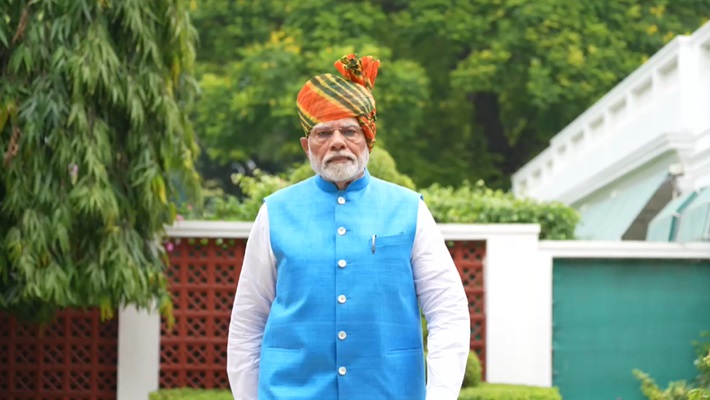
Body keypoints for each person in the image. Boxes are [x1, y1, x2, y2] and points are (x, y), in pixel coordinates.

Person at [227, 54, 471, 400]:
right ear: (306, 146)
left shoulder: (409, 209)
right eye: (323, 132)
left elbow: (448, 311)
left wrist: (441, 394)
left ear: (368, 139)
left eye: (350, 131)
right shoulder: (274, 212)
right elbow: (248, 321)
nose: (337, 141)